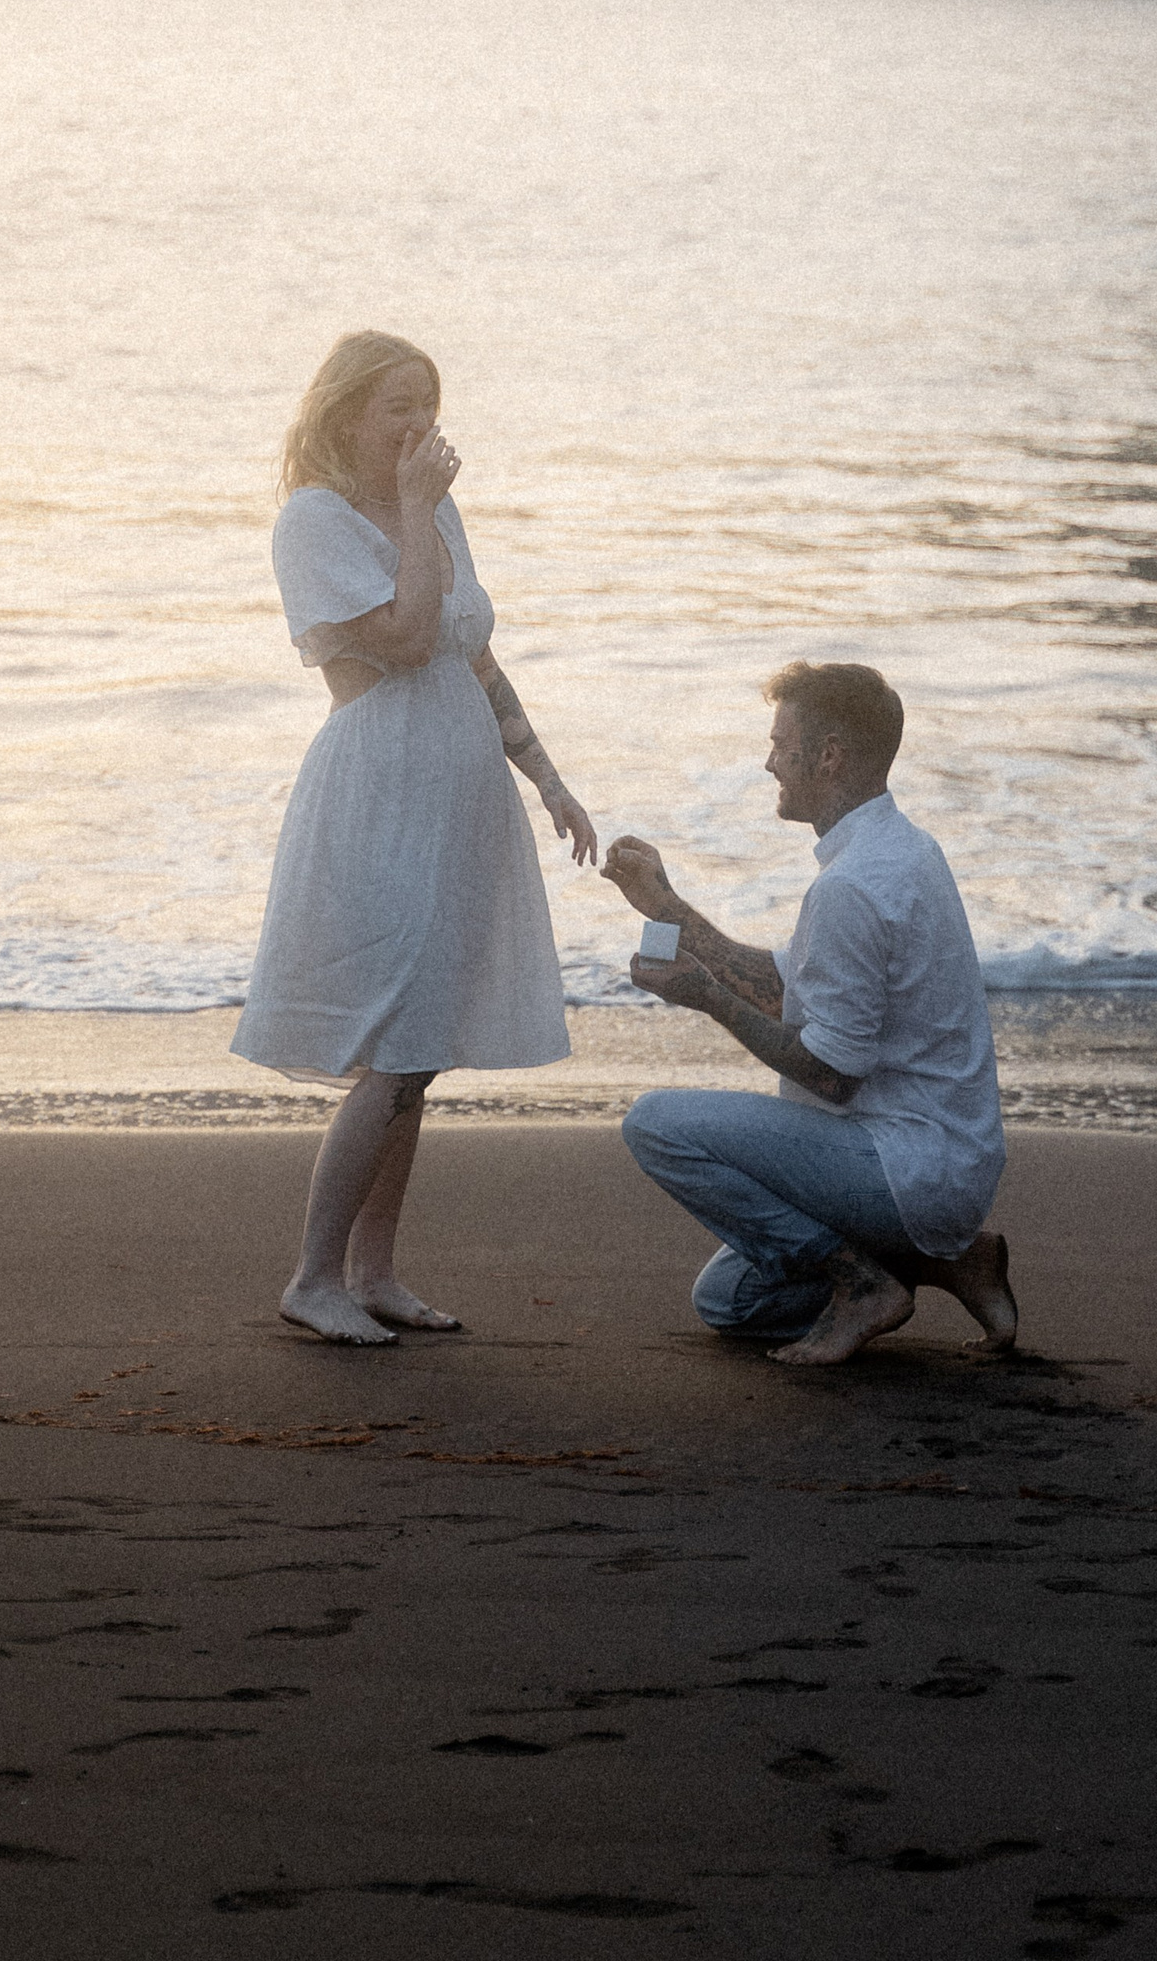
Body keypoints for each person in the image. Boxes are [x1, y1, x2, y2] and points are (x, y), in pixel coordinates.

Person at [234, 330, 598, 1345]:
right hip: (377, 784)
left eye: (427, 405)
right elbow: (398, 636)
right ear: (344, 411)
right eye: (397, 405)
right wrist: (413, 508)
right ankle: (311, 1274)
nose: (417, 425)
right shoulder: (311, 520)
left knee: (422, 1046)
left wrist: (551, 780)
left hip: (459, 787)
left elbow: (472, 656)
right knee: (390, 1039)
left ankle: (373, 1269)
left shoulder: (432, 510)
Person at [609, 660, 1014, 1367]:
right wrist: (669, 910)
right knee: (730, 1303)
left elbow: (831, 1077)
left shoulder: (853, 887)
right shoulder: (900, 849)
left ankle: (860, 1284)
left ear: (828, 755)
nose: (769, 763)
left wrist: (706, 998)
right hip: (938, 1163)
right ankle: (951, 1263)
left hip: (908, 1164)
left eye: (779, 744)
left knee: (655, 1125)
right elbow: (783, 985)